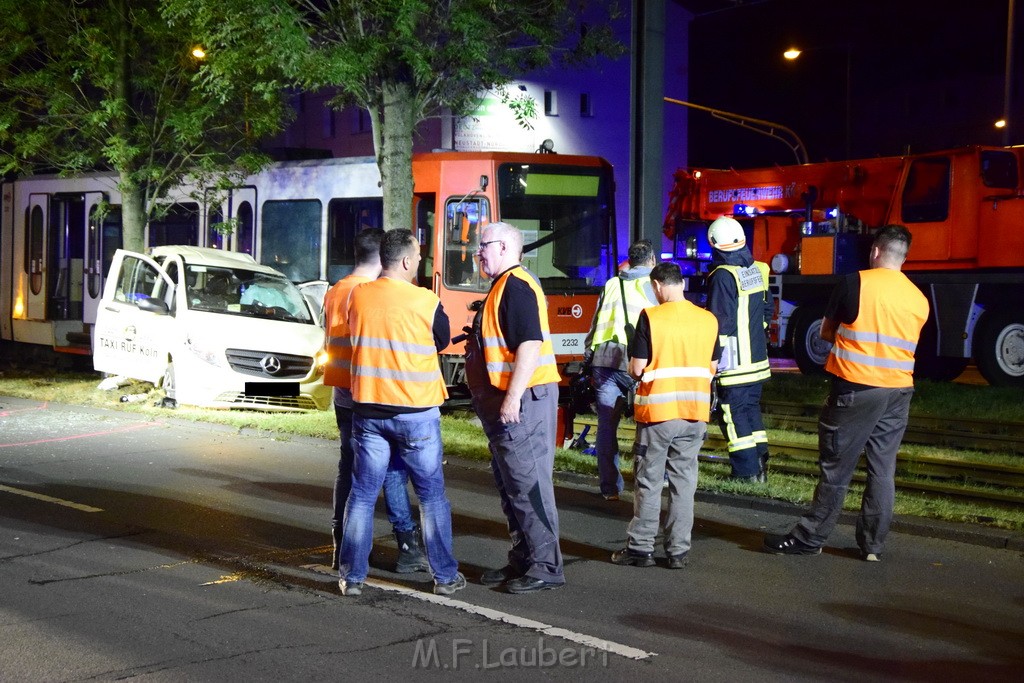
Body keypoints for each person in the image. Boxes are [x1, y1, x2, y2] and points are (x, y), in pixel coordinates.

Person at [763, 225, 929, 561]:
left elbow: (826, 332)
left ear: (876, 252)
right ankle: (872, 546)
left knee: (836, 468)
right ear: (903, 256)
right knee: (883, 470)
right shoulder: (918, 298)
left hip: (856, 387)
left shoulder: (855, 283)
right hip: (899, 391)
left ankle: (811, 538)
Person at [338, 229, 464, 596]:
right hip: (416, 413)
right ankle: (444, 576)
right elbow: (441, 341)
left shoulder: (358, 296)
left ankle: (352, 577)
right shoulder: (426, 301)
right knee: (431, 496)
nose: (420, 262)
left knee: (361, 495)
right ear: (407, 261)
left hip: (370, 411)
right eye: (419, 256)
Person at [465, 221, 566, 594]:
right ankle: (525, 558)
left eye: (484, 246)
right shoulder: (505, 286)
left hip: (523, 403)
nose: (478, 253)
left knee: (529, 486)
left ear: (506, 247)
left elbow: (529, 345)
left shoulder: (516, 286)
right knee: (513, 485)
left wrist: (510, 397)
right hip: (513, 403)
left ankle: (546, 565)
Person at [322, 227, 427, 574]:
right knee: (392, 472)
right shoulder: (367, 294)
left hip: (342, 394)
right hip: (371, 394)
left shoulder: (335, 290)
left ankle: (344, 547)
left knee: (349, 471)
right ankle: (408, 545)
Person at [610, 262, 720, 569]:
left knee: (649, 481)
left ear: (658, 286)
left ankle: (641, 548)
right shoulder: (708, 319)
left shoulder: (651, 317)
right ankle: (677, 552)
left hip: (658, 414)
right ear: (681, 283)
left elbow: (636, 368)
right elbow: (712, 367)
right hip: (695, 413)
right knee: (684, 483)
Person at [583, 238, 658, 500]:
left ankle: (610, 488)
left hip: (604, 362)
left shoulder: (612, 283)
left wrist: (587, 353)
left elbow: (596, 322)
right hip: (637, 363)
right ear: (652, 261)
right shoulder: (654, 285)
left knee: (606, 427)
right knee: (647, 427)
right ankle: (645, 486)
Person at [705, 216, 773, 482]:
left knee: (733, 415)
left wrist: (713, 359)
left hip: (734, 363)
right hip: (757, 359)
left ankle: (745, 474)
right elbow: (765, 310)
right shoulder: (758, 269)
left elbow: (720, 322)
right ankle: (760, 468)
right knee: (750, 411)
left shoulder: (722, 275)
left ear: (713, 243)